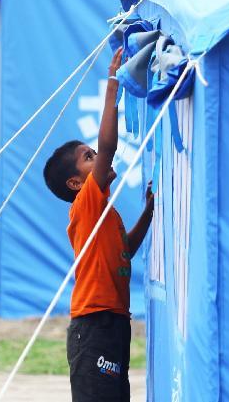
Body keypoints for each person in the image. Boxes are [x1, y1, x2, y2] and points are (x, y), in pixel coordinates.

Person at [42, 48, 154, 401]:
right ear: (76, 184)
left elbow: (125, 252)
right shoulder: (87, 202)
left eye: (93, 153)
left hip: (114, 322)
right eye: (88, 158)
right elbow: (109, 145)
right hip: (94, 325)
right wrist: (112, 86)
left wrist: (150, 212)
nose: (98, 156)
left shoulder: (104, 211)